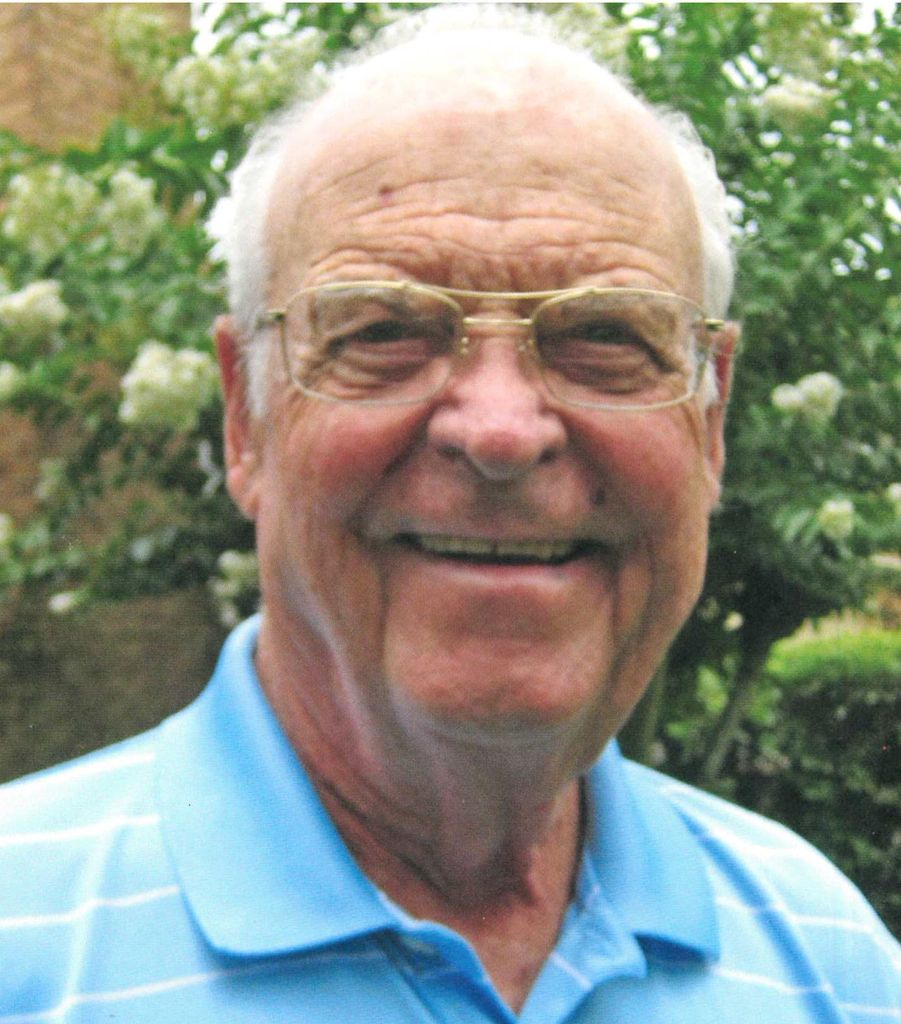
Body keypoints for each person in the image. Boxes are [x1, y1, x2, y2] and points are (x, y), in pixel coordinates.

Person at [2, 8, 898, 1022]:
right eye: (384, 330)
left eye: (605, 336)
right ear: (246, 417)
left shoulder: (825, 961)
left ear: (710, 419)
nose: (502, 432)